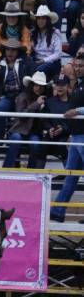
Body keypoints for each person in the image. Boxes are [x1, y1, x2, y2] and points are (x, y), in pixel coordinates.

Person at [50, 54, 84, 222]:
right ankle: (57, 211)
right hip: (77, 136)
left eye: (81, 66)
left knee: (71, 176)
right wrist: (70, 133)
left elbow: (75, 109)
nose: (78, 69)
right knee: (70, 176)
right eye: (76, 66)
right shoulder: (78, 84)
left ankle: (58, 210)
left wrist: (78, 111)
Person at [3, 71, 51, 168]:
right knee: (16, 139)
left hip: (34, 133)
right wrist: (36, 104)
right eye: (36, 85)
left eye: (41, 86)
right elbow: (20, 115)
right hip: (19, 130)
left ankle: (31, 171)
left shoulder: (46, 99)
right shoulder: (22, 97)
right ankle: (7, 168)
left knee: (36, 144)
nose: (39, 88)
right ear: (31, 85)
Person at [0, 38, 34, 139]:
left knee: (22, 104)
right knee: (0, 107)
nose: (10, 52)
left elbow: (32, 79)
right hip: (6, 96)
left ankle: (18, 137)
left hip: (22, 94)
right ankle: (0, 138)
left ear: (18, 51)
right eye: (8, 49)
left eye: (13, 50)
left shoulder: (26, 62)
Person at [36, 73, 71, 168]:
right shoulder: (49, 101)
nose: (60, 87)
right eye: (57, 84)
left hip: (67, 135)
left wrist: (63, 129)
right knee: (42, 146)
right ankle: (38, 177)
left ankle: (69, 176)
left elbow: (76, 122)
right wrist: (49, 128)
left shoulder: (73, 101)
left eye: (63, 85)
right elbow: (44, 120)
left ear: (68, 86)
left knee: (62, 145)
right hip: (51, 133)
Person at [30, 4, 62, 79]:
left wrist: (44, 60)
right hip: (36, 60)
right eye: (38, 18)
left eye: (43, 18)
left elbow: (58, 54)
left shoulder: (55, 33)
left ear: (48, 20)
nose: (40, 21)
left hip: (52, 63)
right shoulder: (33, 33)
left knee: (40, 70)